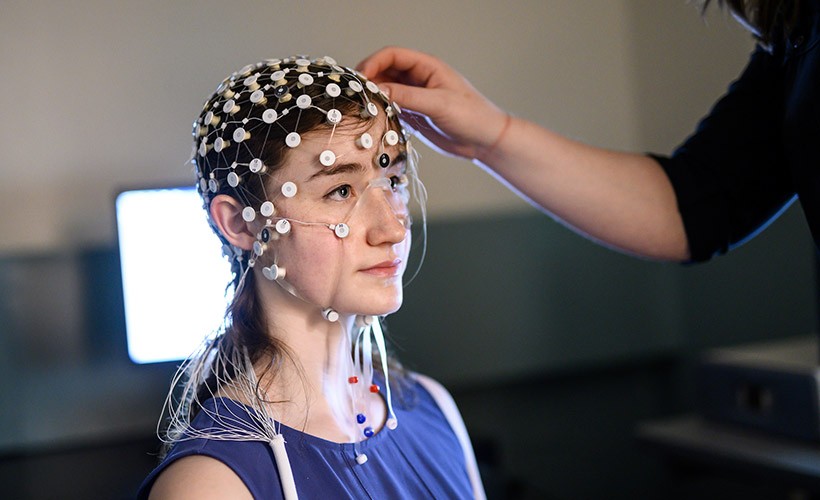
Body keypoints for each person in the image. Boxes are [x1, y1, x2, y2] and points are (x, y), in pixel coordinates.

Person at [137, 56, 485, 499]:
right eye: (340, 190)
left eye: (393, 180)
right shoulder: (210, 484)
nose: (392, 229)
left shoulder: (433, 407)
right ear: (241, 224)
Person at [356, 0, 818, 264]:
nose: (393, 231)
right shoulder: (800, 28)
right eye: (339, 190)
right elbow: (696, 204)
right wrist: (488, 137)